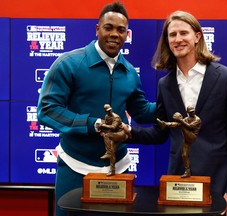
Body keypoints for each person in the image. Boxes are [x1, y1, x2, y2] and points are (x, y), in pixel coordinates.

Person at [37, 2, 156, 216]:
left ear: (126, 34)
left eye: (120, 30)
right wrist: (94, 124)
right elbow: (47, 110)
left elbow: (142, 111)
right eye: (108, 27)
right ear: (97, 28)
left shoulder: (129, 72)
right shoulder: (68, 63)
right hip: (75, 169)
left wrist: (177, 100)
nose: (114, 34)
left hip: (118, 170)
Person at [128, 10, 227, 216]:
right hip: (178, 185)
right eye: (172, 34)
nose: (178, 39)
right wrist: (128, 132)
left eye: (183, 33)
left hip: (218, 186)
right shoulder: (165, 84)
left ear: (197, 37)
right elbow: (160, 132)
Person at [157, 106, 201, 178]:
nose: (192, 112)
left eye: (193, 111)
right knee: (184, 154)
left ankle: (165, 125)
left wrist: (180, 120)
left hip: (192, 136)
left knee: (182, 124)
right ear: (188, 112)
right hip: (186, 138)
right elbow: (179, 123)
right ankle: (187, 171)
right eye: (191, 112)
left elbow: (190, 127)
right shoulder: (186, 119)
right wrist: (180, 120)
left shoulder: (197, 119)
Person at [99, 104, 128, 176]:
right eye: (108, 111)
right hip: (113, 135)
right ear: (105, 111)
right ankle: (112, 170)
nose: (109, 111)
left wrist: (102, 125)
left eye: (110, 110)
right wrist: (102, 129)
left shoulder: (116, 117)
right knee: (112, 152)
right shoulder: (107, 116)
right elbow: (107, 127)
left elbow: (113, 127)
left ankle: (108, 152)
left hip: (120, 134)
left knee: (107, 136)